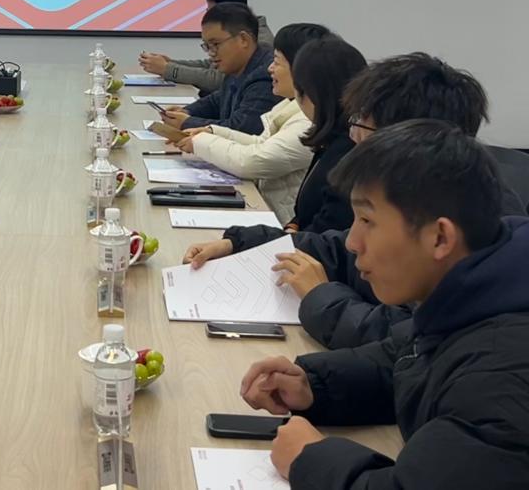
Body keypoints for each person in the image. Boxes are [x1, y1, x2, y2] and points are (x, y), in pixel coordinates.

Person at [238, 121, 529, 488]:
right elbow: (408, 359)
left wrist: (310, 459)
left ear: (440, 237)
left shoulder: (503, 377)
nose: (352, 242)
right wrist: (314, 387)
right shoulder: (476, 296)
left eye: (367, 220)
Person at [182, 52, 525, 349]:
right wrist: (243, 243)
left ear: (412, 137)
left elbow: (402, 341)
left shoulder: (471, 226)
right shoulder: (418, 190)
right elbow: (338, 250)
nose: (353, 135)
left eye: (363, 125)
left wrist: (320, 296)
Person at [172, 24, 332, 223]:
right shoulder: (290, 105)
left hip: (282, 223)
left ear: (302, 69)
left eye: (277, 62)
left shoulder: (308, 120)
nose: (270, 68)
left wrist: (200, 141)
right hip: (267, 209)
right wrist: (212, 132)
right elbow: (260, 142)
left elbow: (253, 160)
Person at [281, 37, 368, 233]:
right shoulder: (332, 139)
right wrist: (292, 227)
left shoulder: (349, 149)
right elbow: (305, 212)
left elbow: (327, 227)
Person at [160, 3, 281, 136]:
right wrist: (187, 111)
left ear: (243, 39)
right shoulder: (237, 65)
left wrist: (187, 123)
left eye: (215, 44)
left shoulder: (266, 75)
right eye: (207, 46)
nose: (211, 53)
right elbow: (218, 99)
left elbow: (241, 129)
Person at [138, 0, 274, 92]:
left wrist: (168, 69)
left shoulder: (260, 43)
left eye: (212, 11)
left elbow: (218, 80)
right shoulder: (240, 33)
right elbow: (210, 65)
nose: (208, 17)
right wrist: (170, 62)